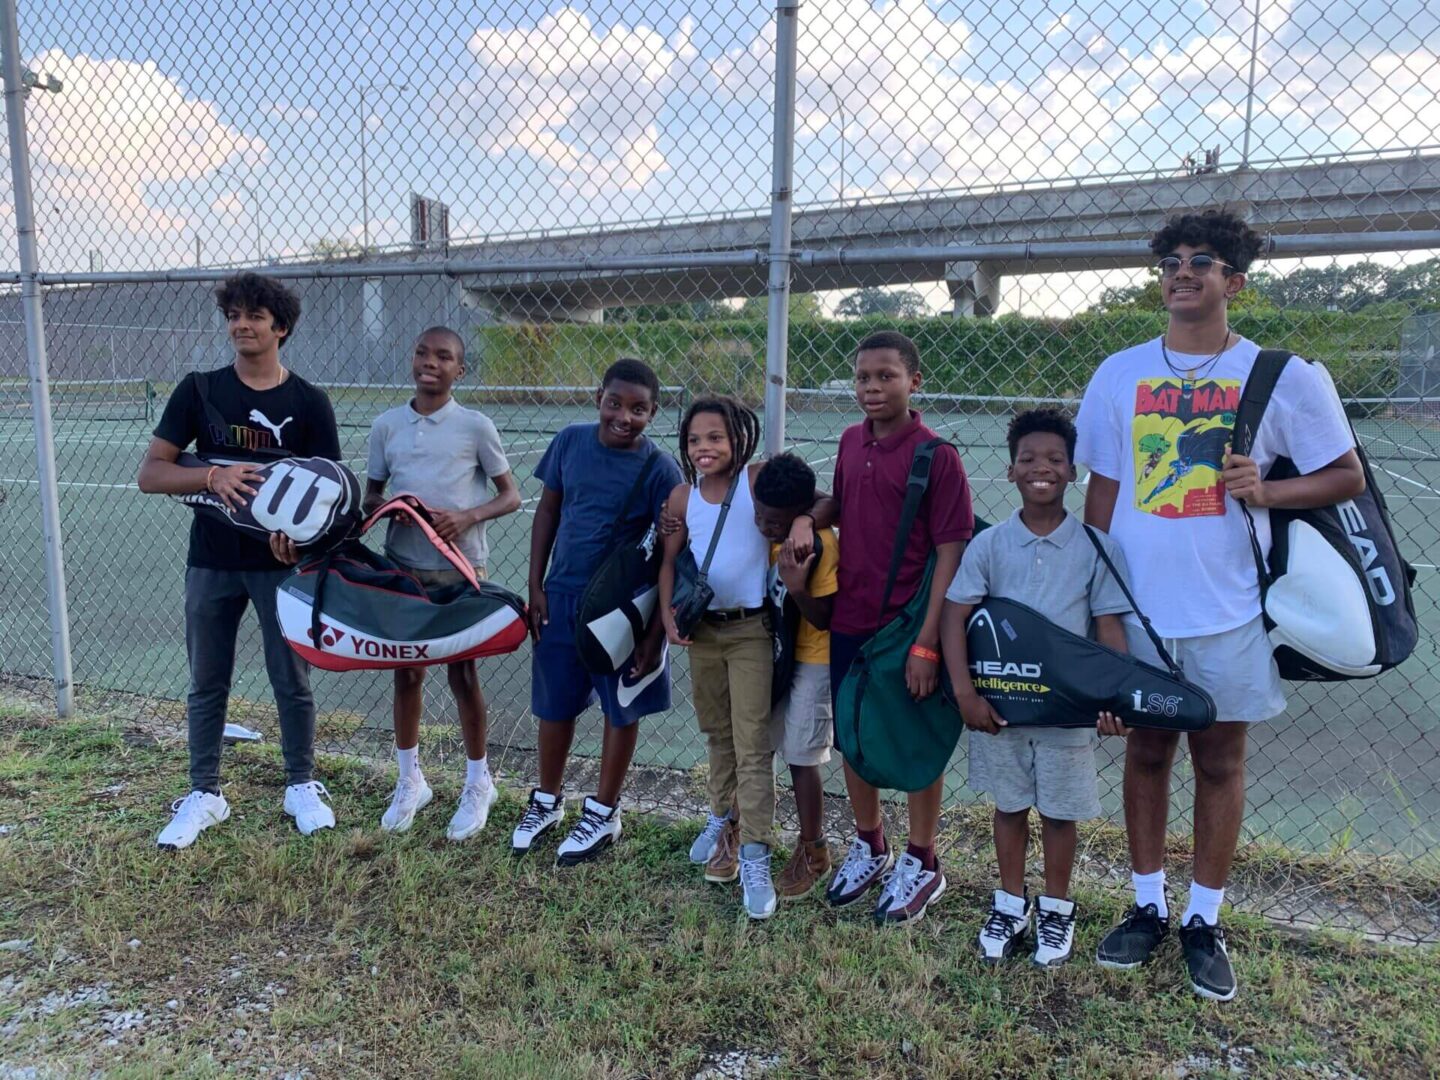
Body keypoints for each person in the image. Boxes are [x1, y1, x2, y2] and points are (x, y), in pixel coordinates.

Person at [1076, 209, 1364, 1000]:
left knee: (1219, 760)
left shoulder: (1280, 375)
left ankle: (1204, 918)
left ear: (1235, 280)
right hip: (1137, 611)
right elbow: (1102, 495)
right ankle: (1146, 907)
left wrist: (1267, 489)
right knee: (1144, 753)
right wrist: (1093, 604)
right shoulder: (1119, 373)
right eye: (1171, 260)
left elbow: (1345, 475)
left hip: (1230, 611)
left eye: (1203, 261)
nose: (1183, 271)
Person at [138, 272, 341, 849]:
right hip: (211, 561)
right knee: (207, 680)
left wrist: (298, 544)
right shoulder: (200, 390)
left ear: (281, 327)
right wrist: (211, 473)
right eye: (233, 315)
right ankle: (205, 792)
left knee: (291, 679)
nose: (241, 325)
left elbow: (328, 496)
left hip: (280, 566)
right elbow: (151, 473)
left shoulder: (307, 402)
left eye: (254, 315)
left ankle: (300, 783)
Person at [939, 408, 1132, 967]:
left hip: (1065, 716)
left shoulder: (1097, 548)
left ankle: (1055, 909)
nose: (1040, 468)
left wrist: (1112, 699)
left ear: (1073, 472)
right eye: (1028, 459)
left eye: (1053, 460)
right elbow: (956, 616)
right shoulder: (991, 545)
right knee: (1009, 806)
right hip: (1000, 709)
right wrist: (965, 693)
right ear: (1010, 471)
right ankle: (1009, 903)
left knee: (1059, 813)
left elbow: (1109, 629)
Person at [799, 330, 975, 925]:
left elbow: (952, 552)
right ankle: (870, 844)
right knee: (854, 734)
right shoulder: (850, 442)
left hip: (908, 626)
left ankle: (923, 860)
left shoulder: (937, 455)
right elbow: (842, 507)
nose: (872, 388)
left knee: (918, 740)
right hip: (851, 621)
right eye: (863, 378)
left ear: (914, 382)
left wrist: (928, 642)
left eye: (886, 376)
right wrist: (805, 517)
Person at [512, 358, 682, 865]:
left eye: (638, 409)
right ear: (598, 398)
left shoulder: (660, 470)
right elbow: (548, 510)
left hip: (620, 613)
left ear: (653, 413)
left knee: (620, 707)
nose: (623, 417)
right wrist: (535, 585)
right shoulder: (569, 441)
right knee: (554, 703)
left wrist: (655, 635)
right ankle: (546, 800)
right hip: (560, 597)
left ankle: (604, 811)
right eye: (615, 403)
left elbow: (669, 558)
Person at [363, 326, 521, 840]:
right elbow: (371, 498)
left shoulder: (475, 426)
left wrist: (465, 516)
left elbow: (510, 496)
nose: (431, 362)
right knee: (406, 674)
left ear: (460, 369)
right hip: (402, 573)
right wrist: (391, 510)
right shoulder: (386, 426)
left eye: (444, 356)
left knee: (463, 675)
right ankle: (410, 780)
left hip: (460, 572)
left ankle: (479, 782)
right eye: (422, 352)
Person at [659, 396, 776, 919]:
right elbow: (668, 562)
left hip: (750, 632)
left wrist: (798, 524)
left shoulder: (758, 481)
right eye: (694, 440)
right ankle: (721, 816)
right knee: (717, 733)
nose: (704, 448)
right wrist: (667, 616)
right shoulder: (683, 498)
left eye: (715, 438)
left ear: (739, 439)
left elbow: (819, 504)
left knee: (752, 743)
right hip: (702, 631)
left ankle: (754, 853)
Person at [752, 453, 840, 902]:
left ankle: (814, 848)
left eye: (774, 520)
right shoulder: (768, 531)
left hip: (814, 658)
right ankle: (749, 833)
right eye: (760, 515)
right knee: (760, 744)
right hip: (778, 654)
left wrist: (798, 584)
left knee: (802, 756)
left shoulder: (817, 544)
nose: (765, 524)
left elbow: (825, 618)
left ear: (799, 514)